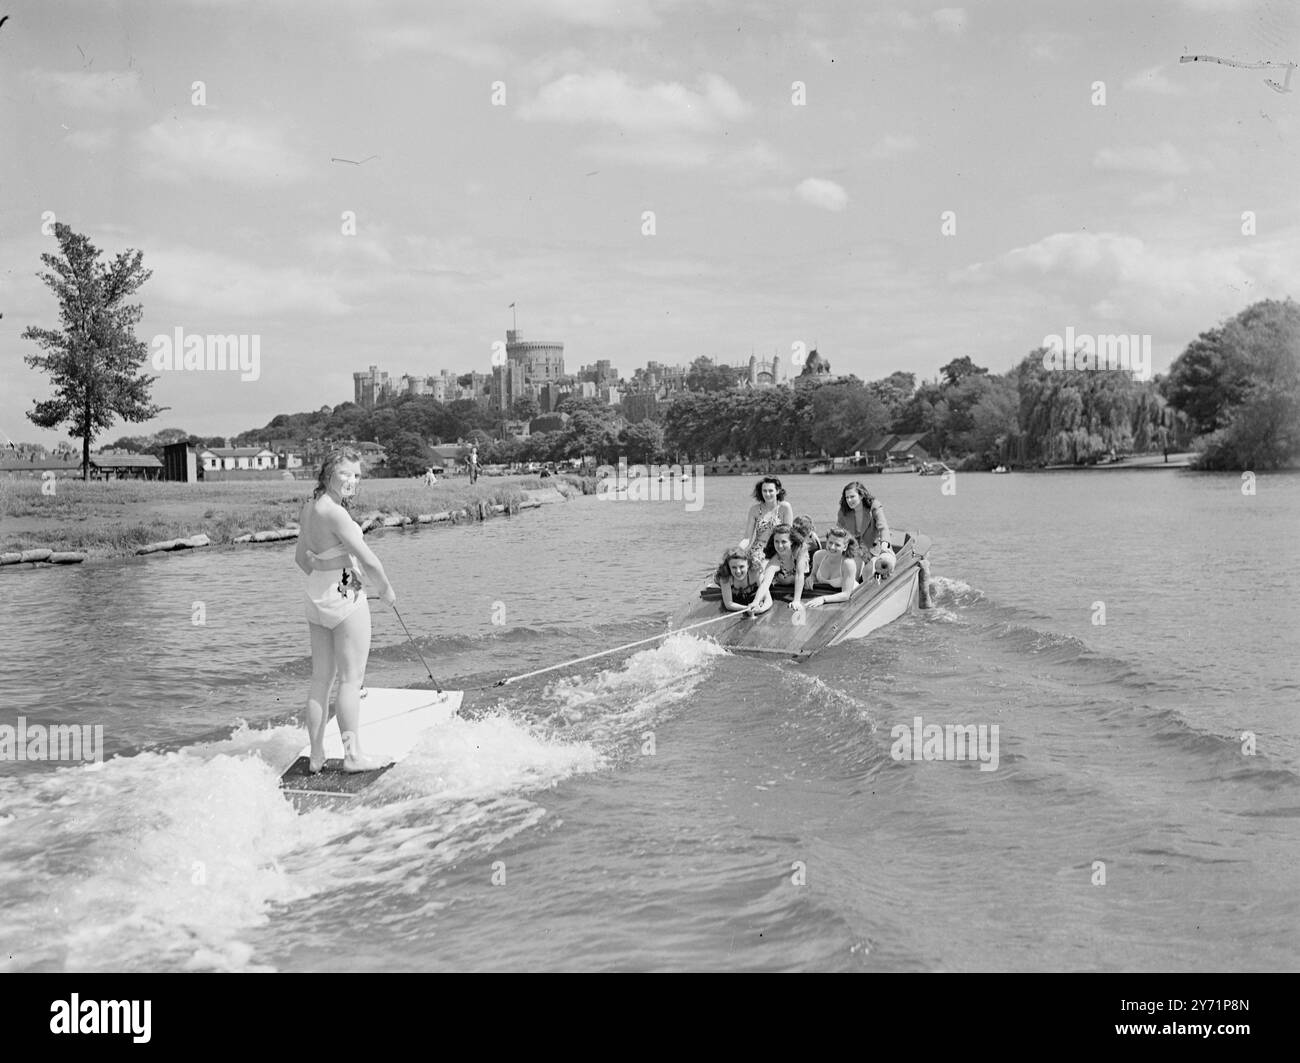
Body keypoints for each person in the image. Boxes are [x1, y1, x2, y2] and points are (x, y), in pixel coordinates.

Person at [295, 448, 396, 774]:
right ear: (328, 474)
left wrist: (330, 567)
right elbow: (369, 561)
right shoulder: (336, 514)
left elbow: (301, 559)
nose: (352, 481)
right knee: (351, 681)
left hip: (315, 595)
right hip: (344, 597)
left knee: (321, 679)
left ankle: (316, 755)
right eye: (345, 474)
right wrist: (386, 589)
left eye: (357, 475)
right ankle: (352, 757)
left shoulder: (309, 507)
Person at [741, 477, 794, 569]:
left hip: (778, 549)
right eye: (764, 491)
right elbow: (747, 539)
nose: (767, 494)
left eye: (770, 491)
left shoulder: (785, 507)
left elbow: (788, 535)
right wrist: (737, 551)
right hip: (757, 551)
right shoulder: (754, 510)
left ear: (777, 491)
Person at [801, 526, 860, 609]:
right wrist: (810, 578)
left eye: (837, 545)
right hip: (826, 596)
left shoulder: (848, 564)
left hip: (851, 601)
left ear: (845, 547)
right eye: (830, 542)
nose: (832, 547)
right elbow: (813, 575)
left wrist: (823, 599)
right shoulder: (818, 556)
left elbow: (846, 595)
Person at [836, 482, 890, 566]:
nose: (849, 500)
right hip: (852, 550)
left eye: (852, 496)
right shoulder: (843, 510)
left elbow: (883, 527)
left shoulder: (874, 506)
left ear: (861, 496)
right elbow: (839, 532)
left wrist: (884, 545)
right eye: (847, 497)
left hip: (872, 550)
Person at [715, 546, 773, 615]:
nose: (738, 571)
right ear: (728, 567)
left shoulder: (755, 572)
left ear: (748, 565)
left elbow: (768, 599)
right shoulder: (725, 577)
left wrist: (760, 610)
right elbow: (728, 604)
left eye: (741, 566)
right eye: (734, 567)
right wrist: (747, 608)